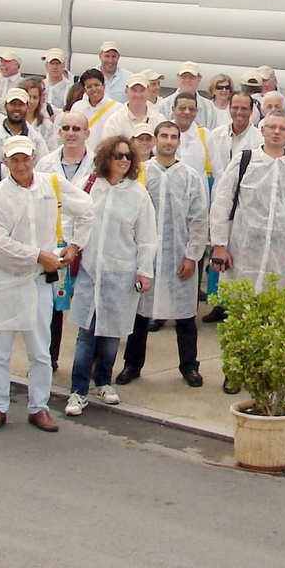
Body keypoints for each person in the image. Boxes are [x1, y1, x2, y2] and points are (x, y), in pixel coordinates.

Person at [0, 135, 93, 433]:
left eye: (25, 158)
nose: (21, 165)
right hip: (5, 281)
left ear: (33, 158)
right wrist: (38, 256)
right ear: (5, 162)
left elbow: (86, 209)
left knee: (41, 349)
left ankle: (39, 406)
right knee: (0, 349)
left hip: (40, 282)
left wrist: (75, 245)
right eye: (14, 160)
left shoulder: (51, 184)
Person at [65, 135, 158, 417]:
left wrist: (144, 270)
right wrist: (71, 245)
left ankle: (103, 381)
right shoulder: (90, 186)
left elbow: (146, 235)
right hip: (91, 271)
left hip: (120, 272)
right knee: (86, 334)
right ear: (106, 158)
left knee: (111, 334)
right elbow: (70, 217)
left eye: (128, 156)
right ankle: (78, 390)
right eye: (118, 155)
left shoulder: (137, 194)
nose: (123, 160)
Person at [116, 120, 209, 387]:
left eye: (173, 137)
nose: (168, 141)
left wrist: (192, 255)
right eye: (163, 136)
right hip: (145, 256)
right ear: (155, 139)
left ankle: (189, 365)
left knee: (185, 315)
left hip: (179, 254)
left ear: (179, 142)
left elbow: (199, 218)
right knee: (140, 314)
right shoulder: (140, 173)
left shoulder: (190, 176)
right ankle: (132, 365)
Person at [208, 110, 285, 294]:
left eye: (283, 128)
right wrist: (219, 245)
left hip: (281, 255)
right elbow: (222, 203)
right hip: (243, 251)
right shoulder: (244, 161)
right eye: (272, 127)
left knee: (273, 309)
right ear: (262, 130)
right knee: (240, 304)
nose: (277, 132)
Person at [37, 110, 95, 365]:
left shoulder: (97, 165)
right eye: (66, 128)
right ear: (59, 133)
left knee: (87, 302)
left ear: (87, 133)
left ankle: (87, 363)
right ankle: (48, 360)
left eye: (77, 129)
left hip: (87, 240)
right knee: (51, 305)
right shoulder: (44, 165)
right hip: (52, 240)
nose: (71, 133)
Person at [0, 87, 50, 165]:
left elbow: (42, 167)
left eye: (21, 104)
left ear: (27, 107)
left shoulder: (37, 139)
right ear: (5, 106)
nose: (17, 108)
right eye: (13, 104)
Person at [101, 74, 159, 143]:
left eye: (142, 90)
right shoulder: (114, 122)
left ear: (148, 91)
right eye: (133, 90)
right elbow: (107, 150)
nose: (138, 95)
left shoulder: (159, 119)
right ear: (126, 91)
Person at [71, 68, 120, 132]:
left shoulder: (116, 108)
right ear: (84, 90)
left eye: (96, 85)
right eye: (89, 87)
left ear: (104, 86)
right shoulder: (77, 107)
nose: (93, 89)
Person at [40, 48, 74, 118]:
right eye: (52, 63)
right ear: (46, 65)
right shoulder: (39, 86)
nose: (54, 67)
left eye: (58, 64)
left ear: (63, 65)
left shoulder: (71, 88)